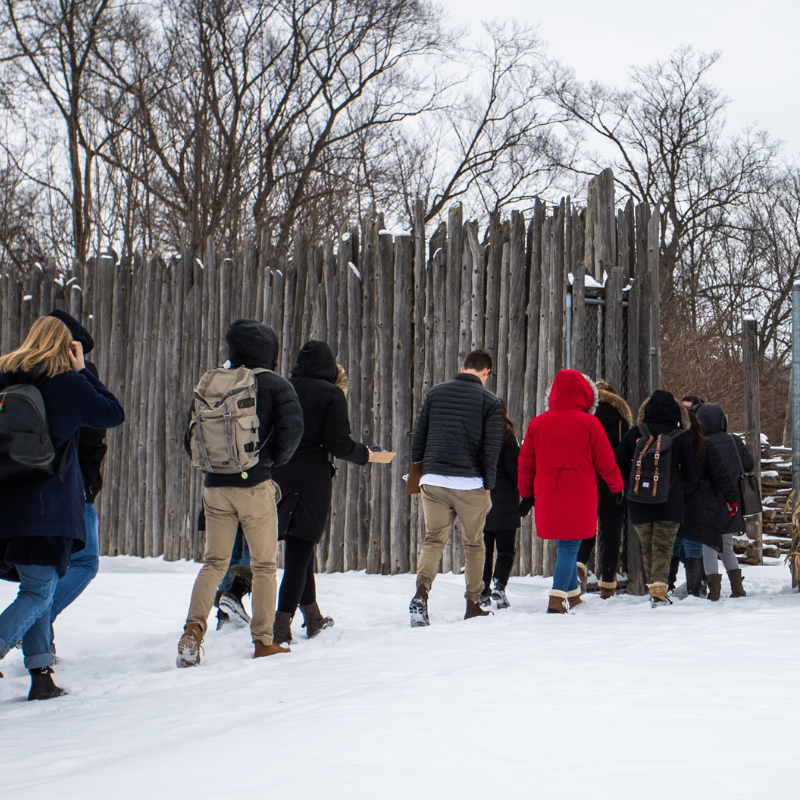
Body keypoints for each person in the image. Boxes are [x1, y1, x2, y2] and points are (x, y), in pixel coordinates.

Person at [0, 316, 124, 700]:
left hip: (6, 504)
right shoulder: (67, 383)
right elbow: (112, 413)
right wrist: (83, 371)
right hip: (46, 506)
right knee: (38, 592)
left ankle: (41, 674)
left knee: (34, 586)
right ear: (68, 347)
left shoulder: (5, 377)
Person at [177, 319, 303, 666]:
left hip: (215, 487)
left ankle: (192, 632)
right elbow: (293, 432)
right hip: (255, 486)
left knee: (214, 562)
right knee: (264, 565)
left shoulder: (212, 382)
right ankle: (263, 641)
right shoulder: (276, 385)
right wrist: (268, 463)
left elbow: (189, 438)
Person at [272, 341, 372, 644]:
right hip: (312, 478)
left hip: (280, 474)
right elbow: (338, 444)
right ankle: (279, 627)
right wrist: (366, 454)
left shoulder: (283, 387)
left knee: (299, 549)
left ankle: (313, 618)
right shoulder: (330, 394)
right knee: (300, 551)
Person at [408, 349, 503, 626]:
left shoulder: (436, 392)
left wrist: (419, 470)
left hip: (433, 480)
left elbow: (419, 436)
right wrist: (489, 484)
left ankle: (421, 594)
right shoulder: (490, 401)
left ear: (463, 368)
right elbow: (490, 449)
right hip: (470, 483)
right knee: (474, 544)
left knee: (433, 539)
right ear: (486, 373)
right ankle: (473, 603)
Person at [518, 370, 623, 614]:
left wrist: (526, 494)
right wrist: (616, 487)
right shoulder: (590, 423)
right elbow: (606, 461)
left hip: (548, 493)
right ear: (587, 396)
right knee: (568, 547)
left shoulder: (538, 423)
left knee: (565, 544)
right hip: (579, 492)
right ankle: (557, 599)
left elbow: (526, 463)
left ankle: (573, 594)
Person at [45, 311, 110, 657]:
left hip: (28, 487)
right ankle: (37, 621)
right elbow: (96, 433)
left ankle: (41, 648)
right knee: (85, 562)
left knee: (41, 570)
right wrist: (89, 483)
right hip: (72, 485)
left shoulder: (24, 372)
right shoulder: (76, 375)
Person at [616, 390, 701, 607]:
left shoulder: (636, 432)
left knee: (647, 547)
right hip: (669, 503)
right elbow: (693, 473)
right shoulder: (679, 438)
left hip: (638, 502)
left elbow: (617, 463)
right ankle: (659, 591)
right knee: (663, 548)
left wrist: (630, 488)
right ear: (676, 412)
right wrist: (679, 489)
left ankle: (654, 589)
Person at [669, 410, 738, 597]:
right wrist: (732, 499)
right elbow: (721, 474)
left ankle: (670, 586)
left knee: (677, 543)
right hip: (704, 501)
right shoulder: (705, 445)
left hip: (679, 500)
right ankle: (700, 587)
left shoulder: (673, 443)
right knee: (700, 545)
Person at [576, 381, 632, 599]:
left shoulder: (585, 418)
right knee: (611, 534)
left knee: (587, 529)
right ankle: (608, 583)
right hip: (613, 482)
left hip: (588, 481)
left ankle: (580, 564)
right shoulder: (622, 421)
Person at [696, 403, 754, 599]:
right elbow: (748, 464)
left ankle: (714, 591)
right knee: (726, 545)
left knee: (709, 545)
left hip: (708, 500)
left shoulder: (700, 443)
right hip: (731, 500)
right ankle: (738, 589)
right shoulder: (734, 441)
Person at [479, 399, 521, 610]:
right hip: (506, 505)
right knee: (505, 550)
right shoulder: (508, 437)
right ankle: (499, 586)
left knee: (484, 551)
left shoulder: (477, 435)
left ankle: (482, 590)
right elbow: (517, 472)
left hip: (482, 502)